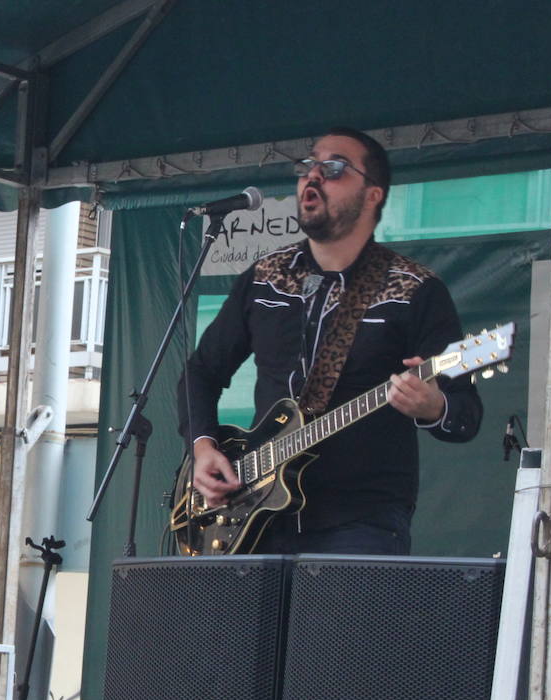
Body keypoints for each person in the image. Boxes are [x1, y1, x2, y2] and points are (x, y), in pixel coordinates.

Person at [178, 127, 483, 554]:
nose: (313, 177)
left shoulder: (415, 290)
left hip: (361, 519)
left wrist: (435, 408)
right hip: (253, 514)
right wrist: (203, 446)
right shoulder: (265, 279)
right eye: (307, 167)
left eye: (334, 168)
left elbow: (465, 413)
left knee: (340, 624)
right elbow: (201, 371)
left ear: (373, 194)